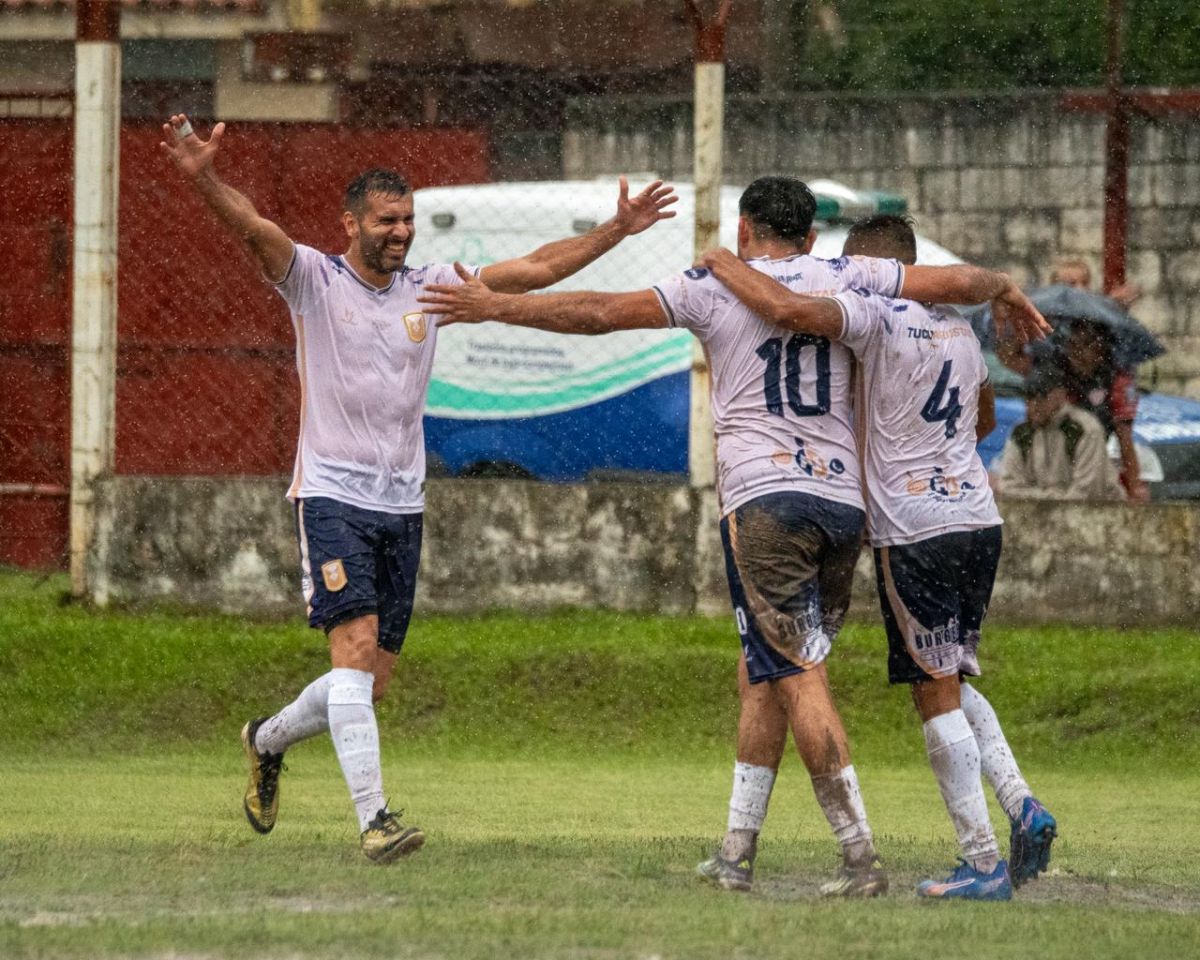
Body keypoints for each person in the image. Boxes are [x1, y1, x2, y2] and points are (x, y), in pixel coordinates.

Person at [419, 178, 1047, 894]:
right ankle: (736, 851)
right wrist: (1000, 285)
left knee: (799, 674)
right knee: (765, 674)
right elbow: (949, 280)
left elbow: (597, 312)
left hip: (767, 500)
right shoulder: (849, 275)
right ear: (811, 237)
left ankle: (859, 855)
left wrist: (495, 307)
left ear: (745, 229)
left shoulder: (714, 283)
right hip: (844, 506)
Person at [158, 113, 679, 864]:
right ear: (351, 223)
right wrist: (205, 175)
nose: (400, 232)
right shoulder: (313, 279)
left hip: (403, 506)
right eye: (386, 220)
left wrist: (616, 231)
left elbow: (535, 268)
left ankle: (266, 740)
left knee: (367, 686)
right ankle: (375, 820)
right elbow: (252, 226)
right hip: (332, 496)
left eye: (407, 219)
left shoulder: (432, 288)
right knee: (354, 649)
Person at [697, 214, 1056, 901]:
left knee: (931, 694)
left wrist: (724, 264)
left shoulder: (872, 316)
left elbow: (788, 308)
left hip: (912, 524)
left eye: (847, 265)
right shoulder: (959, 331)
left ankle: (981, 863)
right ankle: (1021, 802)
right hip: (978, 519)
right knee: (949, 675)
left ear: (870, 267)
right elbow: (981, 421)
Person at [995, 364, 1125, 501]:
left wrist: (1037, 498)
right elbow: (1007, 488)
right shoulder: (1021, 433)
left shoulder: (1084, 429)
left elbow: (1086, 494)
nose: (1033, 405)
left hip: (1100, 516)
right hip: (1040, 515)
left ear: (1060, 395)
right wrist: (1053, 498)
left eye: (1041, 397)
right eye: (1028, 397)